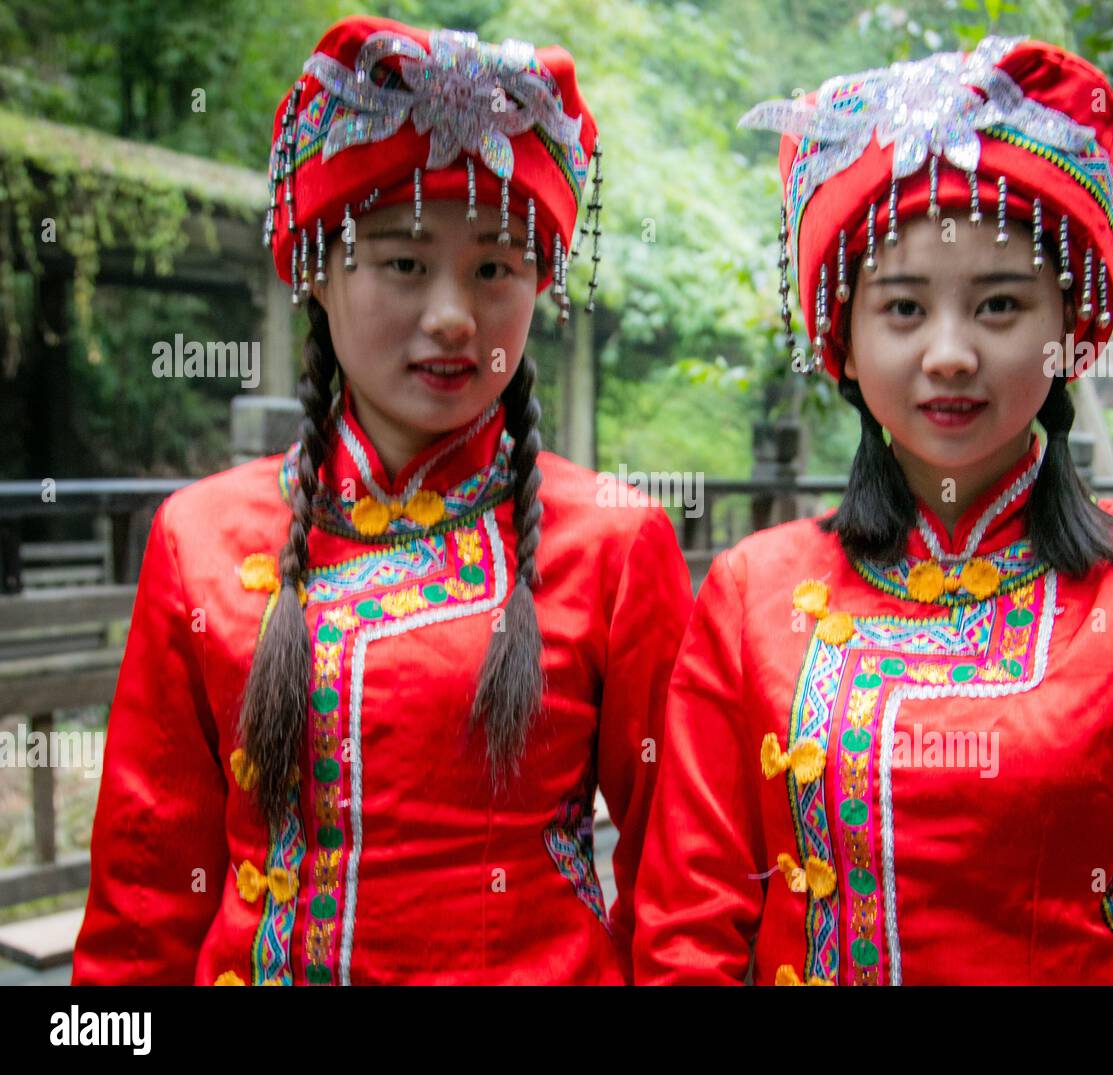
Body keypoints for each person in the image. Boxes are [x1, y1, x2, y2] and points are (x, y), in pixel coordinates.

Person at [634, 35, 1113, 985]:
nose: (949, 354)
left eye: (999, 305)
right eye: (903, 308)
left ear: (1069, 329)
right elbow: (684, 935)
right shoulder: (750, 592)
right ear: (843, 340)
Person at [72, 15, 692, 985]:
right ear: (315, 268)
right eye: (404, 262)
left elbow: (677, 889)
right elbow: (146, 892)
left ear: (541, 284)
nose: (452, 314)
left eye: (495, 266)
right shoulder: (198, 537)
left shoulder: (617, 540)